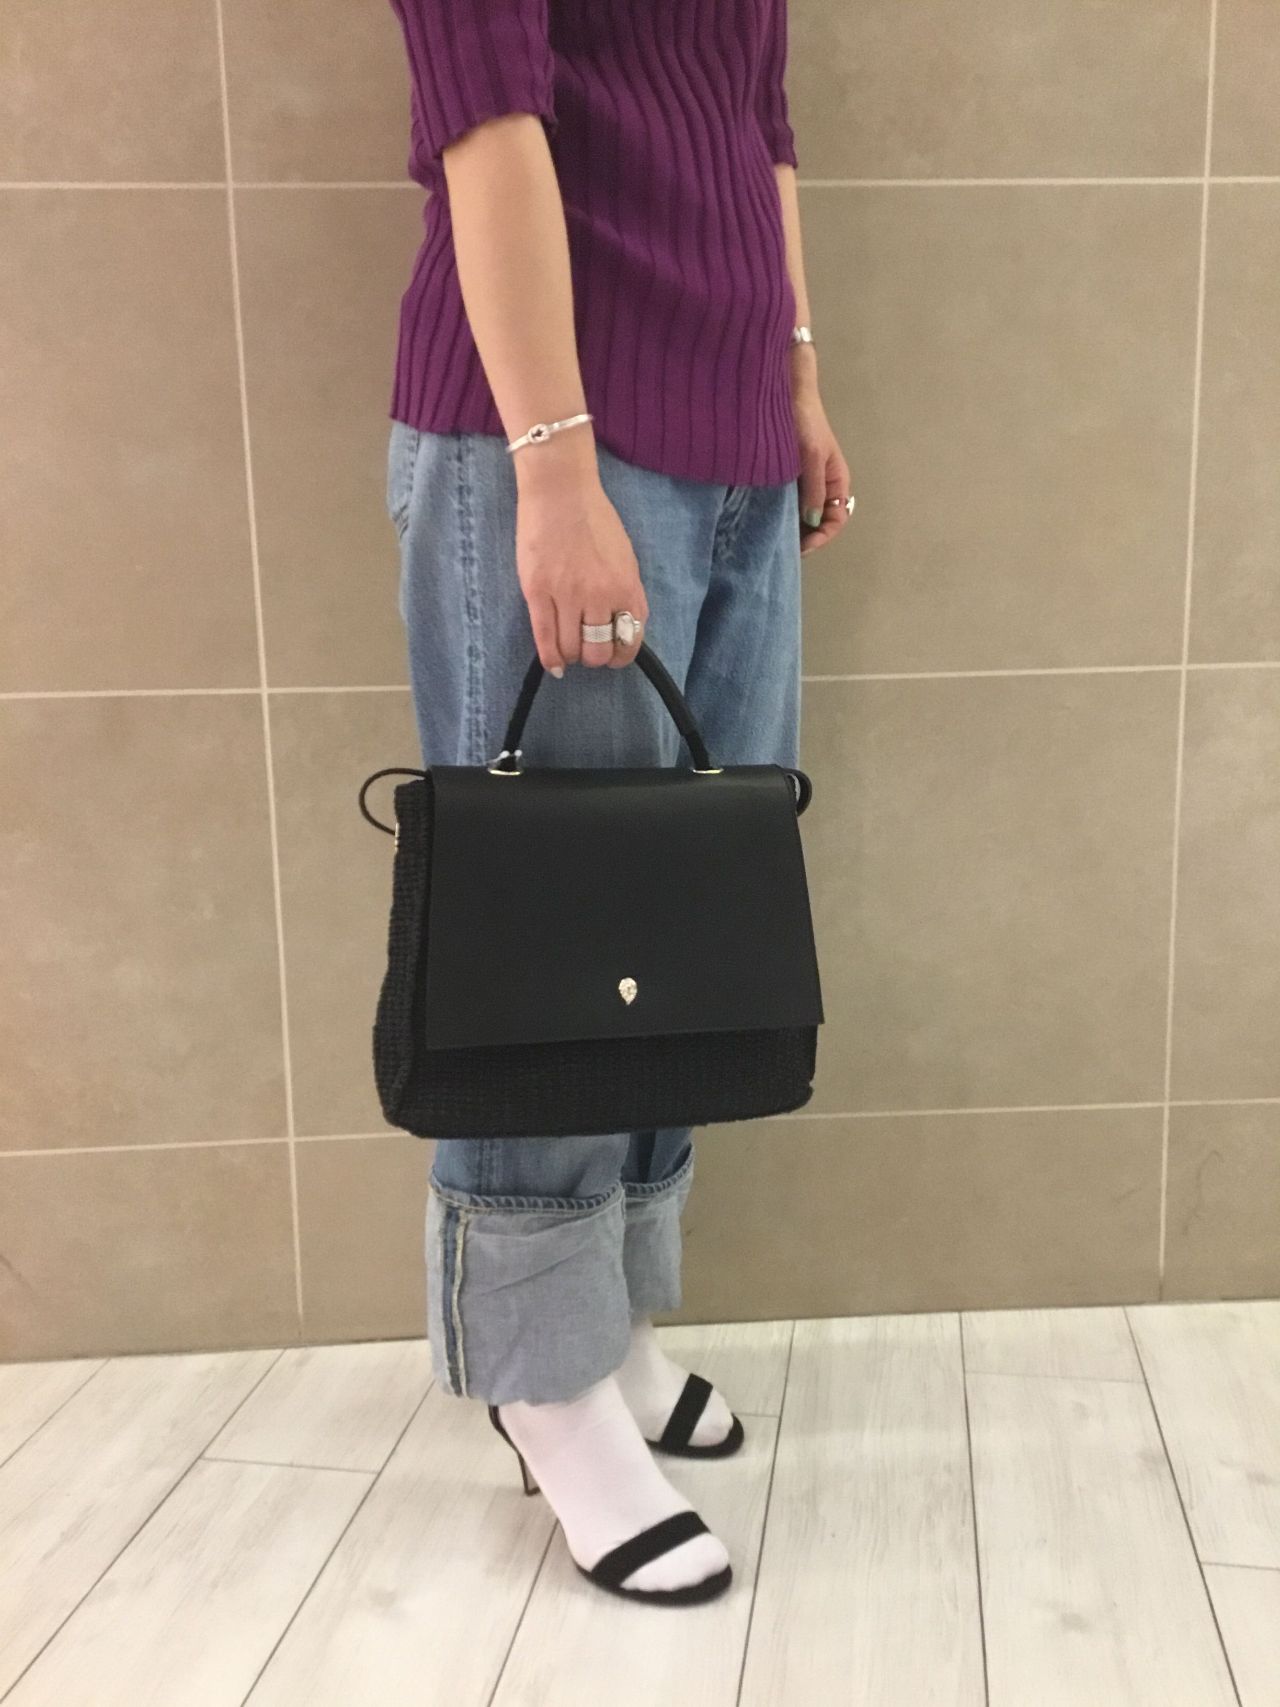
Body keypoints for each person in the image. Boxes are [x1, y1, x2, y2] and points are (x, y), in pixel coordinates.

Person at [385, 0, 851, 1607]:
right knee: (552, 942)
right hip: (557, 435)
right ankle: (545, 1380)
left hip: (729, 438)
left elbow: (758, 121)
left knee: (680, 920)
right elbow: (483, 120)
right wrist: (555, 468)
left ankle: (614, 1321)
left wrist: (795, 376)